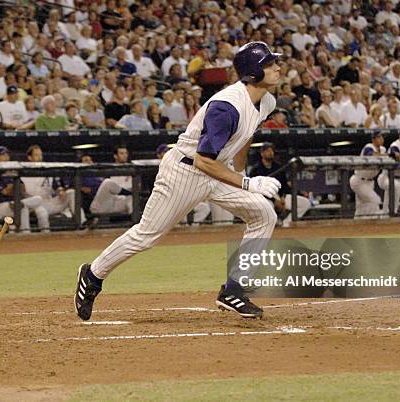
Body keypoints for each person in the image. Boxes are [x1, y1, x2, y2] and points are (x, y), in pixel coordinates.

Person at [74, 42, 283, 321]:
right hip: (185, 172)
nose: (278, 67)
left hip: (218, 171)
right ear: (254, 73)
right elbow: (202, 160)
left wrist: (241, 174)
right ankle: (93, 274)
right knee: (147, 235)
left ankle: (234, 290)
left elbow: (244, 137)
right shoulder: (226, 106)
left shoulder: (266, 101)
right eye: (270, 64)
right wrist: (248, 184)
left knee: (264, 215)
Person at [0, 147, 47, 233]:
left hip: (14, 204)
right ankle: (25, 232)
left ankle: (25, 234)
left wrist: (13, 188)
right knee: (21, 207)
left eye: (7, 155)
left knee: (34, 201)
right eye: (2, 155)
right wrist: (14, 188)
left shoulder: (12, 172)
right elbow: (5, 191)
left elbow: (23, 189)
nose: (6, 157)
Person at [249, 143, 311, 227]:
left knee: (305, 203)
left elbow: (284, 185)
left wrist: (283, 196)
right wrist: (275, 200)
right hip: (264, 198)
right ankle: (274, 223)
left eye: (272, 150)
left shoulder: (278, 167)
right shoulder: (256, 169)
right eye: (267, 151)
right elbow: (255, 189)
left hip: (280, 196)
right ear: (262, 153)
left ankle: (286, 224)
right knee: (268, 210)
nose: (270, 153)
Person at [23, 145, 86, 226]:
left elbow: (56, 186)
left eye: (40, 155)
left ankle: (82, 223)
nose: (40, 157)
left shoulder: (47, 171)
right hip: (35, 205)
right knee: (42, 212)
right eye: (36, 155)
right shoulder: (23, 174)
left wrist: (60, 191)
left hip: (49, 203)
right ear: (29, 158)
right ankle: (45, 235)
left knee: (71, 192)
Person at [90, 145, 133, 215]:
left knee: (131, 198)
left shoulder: (132, 170)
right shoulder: (108, 169)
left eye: (126, 153)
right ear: (115, 156)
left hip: (119, 202)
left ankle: (136, 222)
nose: (125, 155)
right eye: (122, 153)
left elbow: (137, 188)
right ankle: (95, 216)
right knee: (107, 182)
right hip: (105, 202)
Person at [350, 132, 386, 218]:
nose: (381, 139)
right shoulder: (368, 147)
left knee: (362, 206)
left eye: (382, 137)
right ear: (373, 139)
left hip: (369, 182)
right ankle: (375, 223)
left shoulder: (383, 149)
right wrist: (386, 156)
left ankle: (358, 225)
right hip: (359, 180)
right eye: (379, 137)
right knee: (375, 200)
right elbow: (372, 155)